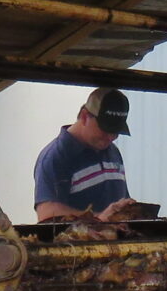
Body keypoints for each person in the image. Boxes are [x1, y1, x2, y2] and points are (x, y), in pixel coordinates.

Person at [33, 87, 145, 222]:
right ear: (85, 116)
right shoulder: (55, 158)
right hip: (76, 242)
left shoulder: (113, 151)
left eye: (116, 132)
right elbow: (46, 213)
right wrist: (99, 219)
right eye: (105, 129)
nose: (110, 137)